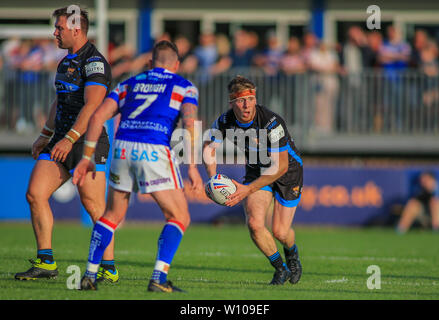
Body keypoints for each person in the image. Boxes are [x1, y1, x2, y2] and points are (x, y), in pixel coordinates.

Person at [72, 40, 202, 292]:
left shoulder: (127, 84)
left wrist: (87, 156)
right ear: (176, 65)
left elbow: (98, 116)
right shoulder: (184, 86)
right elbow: (190, 124)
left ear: (150, 63)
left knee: (111, 216)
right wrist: (193, 166)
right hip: (154, 148)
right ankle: (159, 278)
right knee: (179, 216)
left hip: (122, 148)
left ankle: (89, 274)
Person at [14, 6, 118, 283]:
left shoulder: (95, 62)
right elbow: (59, 101)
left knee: (94, 206)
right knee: (35, 194)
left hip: (86, 142)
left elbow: (93, 105)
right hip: (60, 140)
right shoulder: (65, 61)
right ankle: (46, 262)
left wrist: (70, 139)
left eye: (59, 28)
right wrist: (45, 135)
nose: (54, 33)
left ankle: (108, 267)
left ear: (76, 29)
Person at [203, 75, 303, 285]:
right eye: (241, 100)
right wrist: (212, 179)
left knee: (280, 232)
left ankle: (292, 254)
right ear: (232, 103)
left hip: (287, 172)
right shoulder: (224, 120)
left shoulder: (271, 121)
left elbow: (280, 166)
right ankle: (280, 268)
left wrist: (247, 190)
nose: (247, 104)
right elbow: (208, 147)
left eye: (250, 98)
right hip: (257, 169)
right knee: (255, 224)